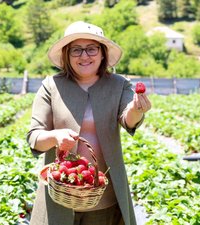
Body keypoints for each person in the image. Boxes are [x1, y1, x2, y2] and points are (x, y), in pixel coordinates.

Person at [26, 21, 151, 225]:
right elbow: (34, 138)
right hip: (60, 193)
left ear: (102, 53)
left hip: (104, 196)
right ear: (67, 55)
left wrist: (137, 109)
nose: (84, 56)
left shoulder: (119, 85)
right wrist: (55, 136)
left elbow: (128, 119)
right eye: (76, 50)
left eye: (91, 49)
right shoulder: (51, 86)